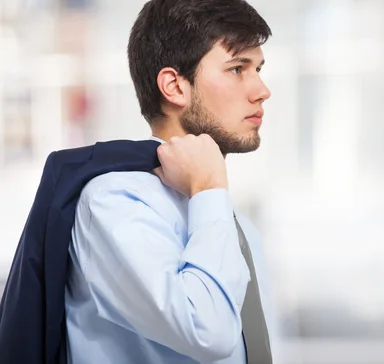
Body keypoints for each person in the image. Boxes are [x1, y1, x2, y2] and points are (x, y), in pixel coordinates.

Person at [64, 0, 276, 363]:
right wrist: (209, 191)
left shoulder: (234, 227)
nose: (262, 90)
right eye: (238, 68)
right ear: (174, 87)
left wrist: (209, 196)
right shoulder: (113, 203)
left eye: (258, 68)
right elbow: (208, 332)